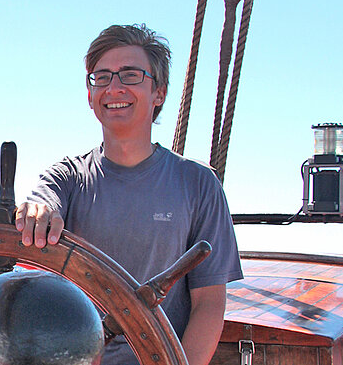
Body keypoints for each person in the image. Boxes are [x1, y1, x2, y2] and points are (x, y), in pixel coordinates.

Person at [14, 24, 243, 365]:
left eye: (131, 75)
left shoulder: (200, 184)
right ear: (90, 95)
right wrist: (38, 211)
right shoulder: (68, 177)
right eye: (101, 77)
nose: (114, 87)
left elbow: (209, 302)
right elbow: (43, 201)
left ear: (159, 93)